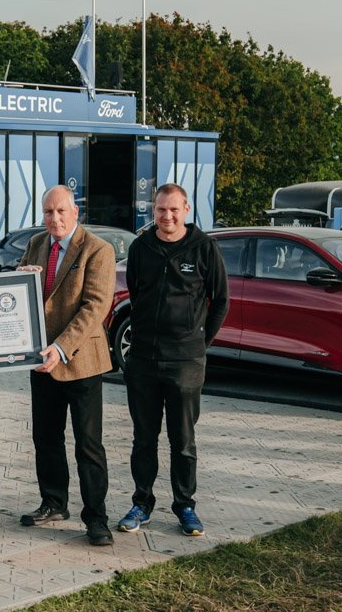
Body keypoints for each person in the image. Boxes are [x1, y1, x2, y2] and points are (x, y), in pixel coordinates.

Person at [118, 183, 229, 538]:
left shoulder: (204, 248)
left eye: (173, 210)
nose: (166, 216)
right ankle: (142, 504)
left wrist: (199, 342)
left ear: (186, 210)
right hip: (144, 361)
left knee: (182, 440)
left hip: (185, 362)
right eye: (160, 209)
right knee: (143, 439)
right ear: (153, 210)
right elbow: (136, 294)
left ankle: (185, 506)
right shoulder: (141, 248)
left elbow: (220, 301)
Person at [17, 185, 116, 546]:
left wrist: (61, 347)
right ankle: (54, 502)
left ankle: (97, 518)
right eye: (48, 212)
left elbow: (94, 308)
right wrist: (21, 278)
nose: (54, 218)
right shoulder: (36, 245)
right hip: (41, 361)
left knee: (88, 445)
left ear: (76, 212)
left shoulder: (98, 250)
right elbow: (21, 296)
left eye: (61, 211)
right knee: (45, 438)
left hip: (80, 361)